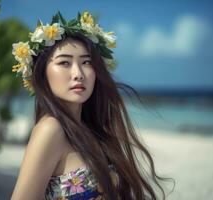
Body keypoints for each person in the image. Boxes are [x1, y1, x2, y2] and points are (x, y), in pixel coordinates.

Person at [10, 11, 166, 200]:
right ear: (42, 73)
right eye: (64, 62)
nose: (78, 73)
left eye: (86, 62)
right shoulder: (50, 129)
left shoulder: (91, 128)